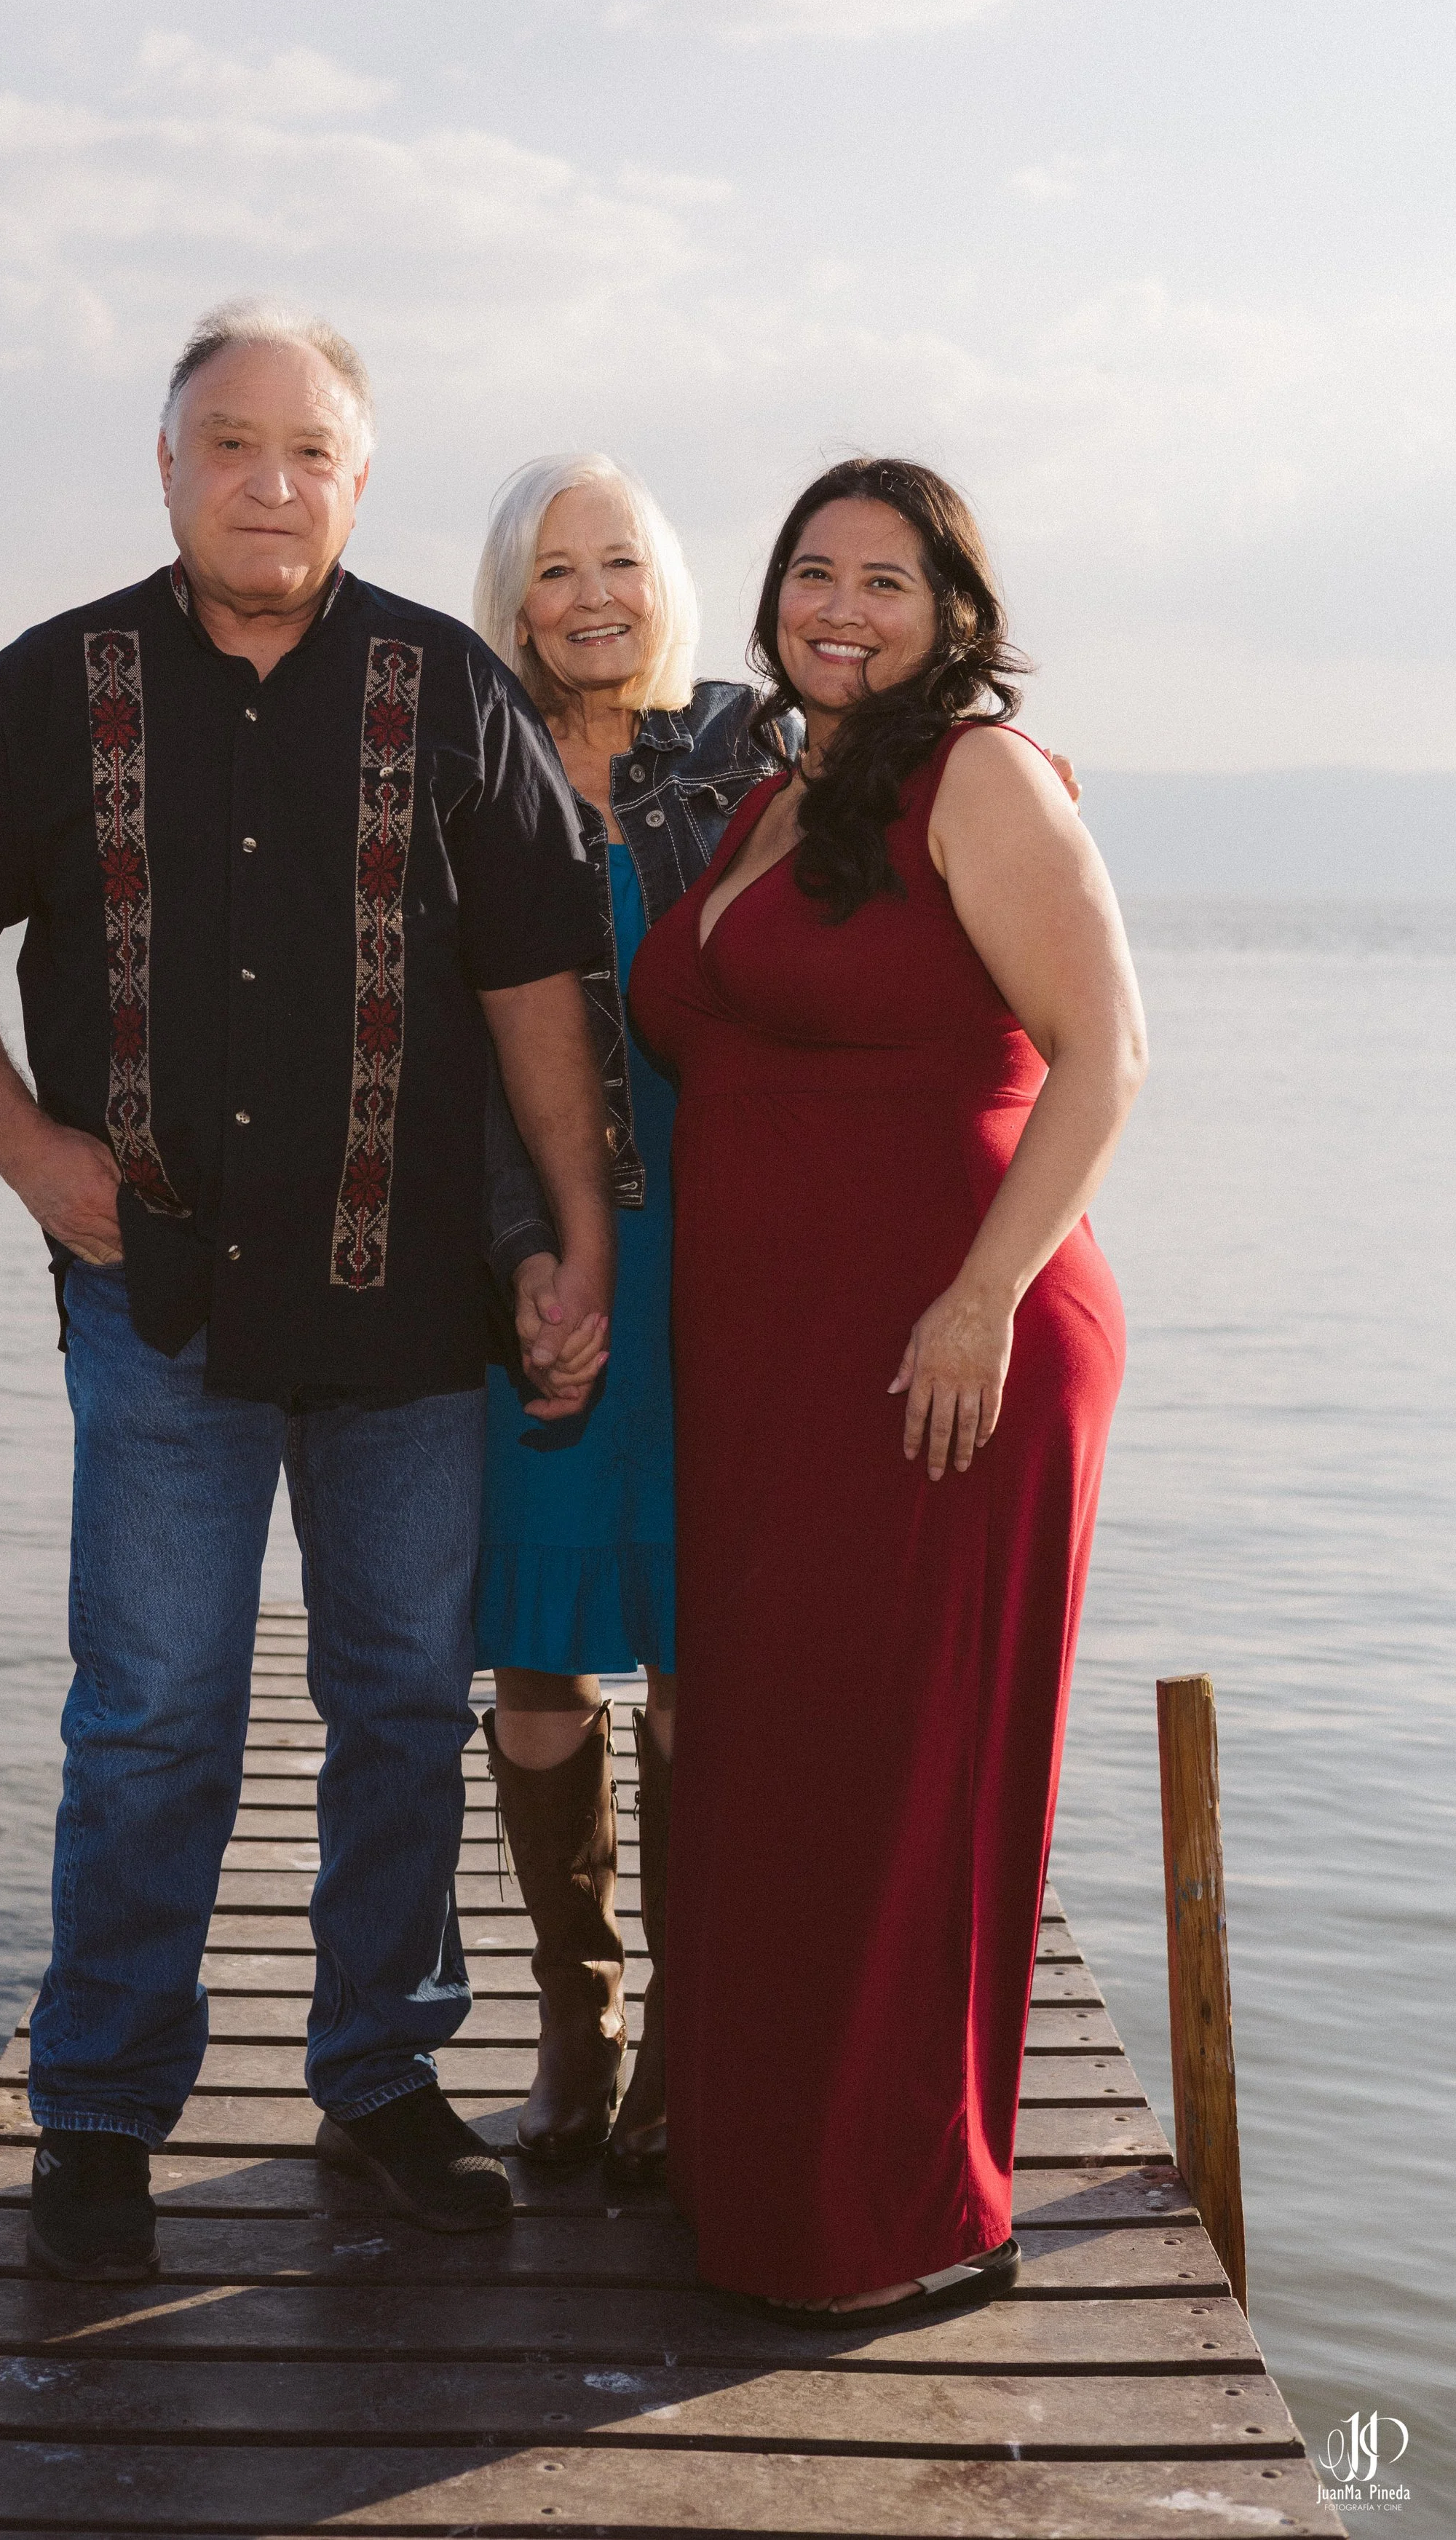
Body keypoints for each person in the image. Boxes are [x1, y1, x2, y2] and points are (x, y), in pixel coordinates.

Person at [0, 304, 616, 2274]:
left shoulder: (449, 690)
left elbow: (534, 980)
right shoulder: (54, 685)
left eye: (308, 451)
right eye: (227, 444)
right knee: (154, 1715)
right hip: (159, 1299)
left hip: (409, 1307)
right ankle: (103, 2111)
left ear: (359, 478)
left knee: (399, 1702)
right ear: (169, 463)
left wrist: (579, 1232)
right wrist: (32, 1154)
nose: (268, 482)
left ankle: (379, 2073)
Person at [628, 456, 1147, 2318]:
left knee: (897, 1778)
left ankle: (893, 2219)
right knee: (776, 1762)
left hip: (947, 1350)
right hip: (773, 1368)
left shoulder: (979, 776)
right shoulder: (775, 793)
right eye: (811, 573)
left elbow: (1104, 1052)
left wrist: (978, 1298)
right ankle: (756, 2179)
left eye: (884, 582)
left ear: (950, 617)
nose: (838, 609)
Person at [469, 454, 795, 2180]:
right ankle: (572, 2012)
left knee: (689, 1644)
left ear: (662, 582)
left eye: (617, 561)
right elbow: (450, 1048)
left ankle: (686, 2021)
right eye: (552, 569)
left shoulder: (746, 750)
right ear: (511, 601)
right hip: (530, 1245)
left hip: (719, 1245)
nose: (589, 595)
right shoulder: (466, 764)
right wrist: (521, 1250)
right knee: (534, 1641)